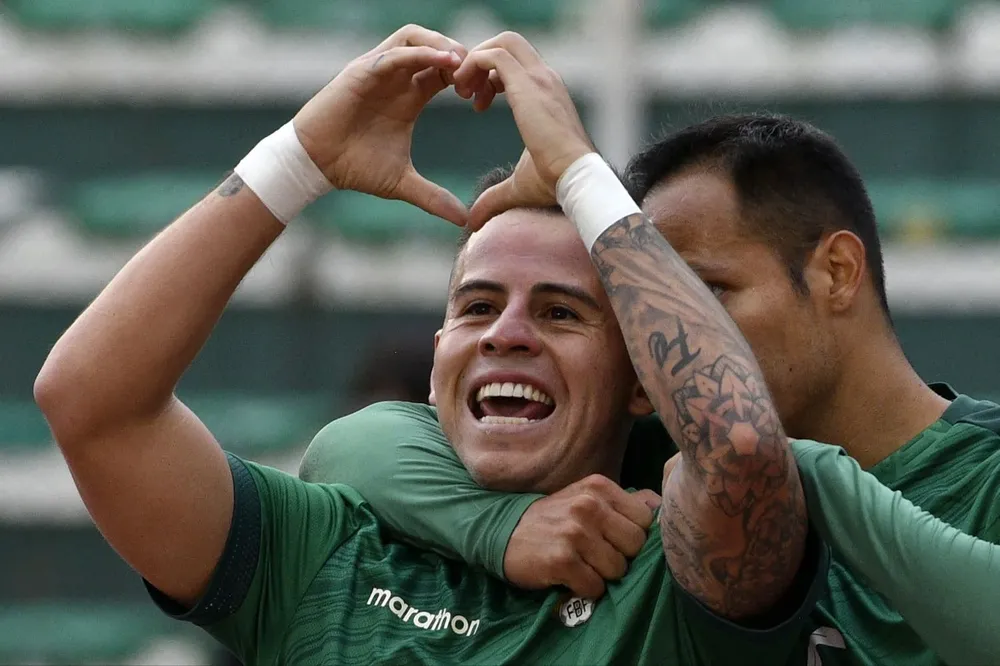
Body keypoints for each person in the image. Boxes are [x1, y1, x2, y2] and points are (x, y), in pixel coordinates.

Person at [33, 27, 826, 665]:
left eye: (560, 314)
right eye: (478, 306)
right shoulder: (326, 546)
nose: (506, 334)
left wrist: (581, 174)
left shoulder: (678, 565)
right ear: (442, 345)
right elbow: (91, 404)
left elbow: (744, 451)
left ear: (641, 381)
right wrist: (298, 161)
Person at [301, 111, 1000, 663]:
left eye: (704, 294)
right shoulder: (658, 452)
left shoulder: (984, 470)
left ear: (837, 272)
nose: (674, 342)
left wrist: (799, 470)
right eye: (649, 307)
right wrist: (504, 528)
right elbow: (356, 444)